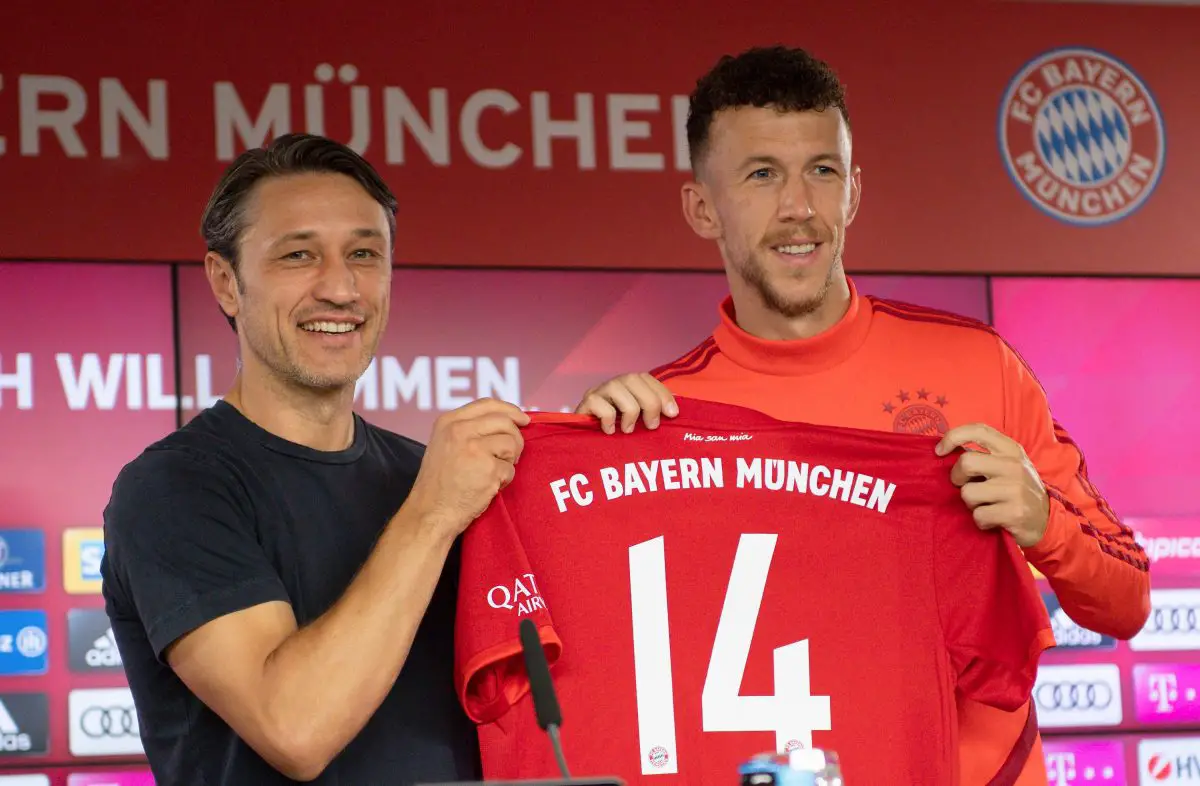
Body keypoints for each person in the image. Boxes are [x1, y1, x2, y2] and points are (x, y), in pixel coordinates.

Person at [573, 46, 1151, 786]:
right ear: (701, 208)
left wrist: (1047, 524)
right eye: (760, 175)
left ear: (853, 191)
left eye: (822, 170)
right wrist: (595, 460)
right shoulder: (658, 421)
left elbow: (1128, 601)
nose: (799, 208)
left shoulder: (977, 364)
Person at [101, 133, 529, 785]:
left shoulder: (430, 479)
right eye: (298, 255)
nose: (340, 287)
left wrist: (612, 443)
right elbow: (295, 728)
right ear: (226, 282)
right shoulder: (173, 488)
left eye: (364, 253)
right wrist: (432, 515)